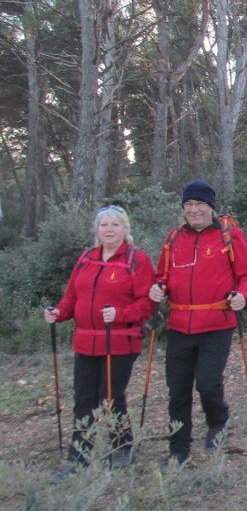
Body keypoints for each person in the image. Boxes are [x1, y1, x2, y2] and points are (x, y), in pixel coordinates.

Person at [149, 180, 247, 467]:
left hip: (217, 324)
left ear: (211, 207)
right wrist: (158, 288)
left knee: (208, 384)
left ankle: (218, 420)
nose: (194, 210)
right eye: (188, 205)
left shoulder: (230, 236)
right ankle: (178, 450)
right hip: (179, 325)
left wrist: (243, 297)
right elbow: (162, 275)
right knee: (178, 389)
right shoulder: (173, 238)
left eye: (199, 204)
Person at [45, 206, 156, 481]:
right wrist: (58, 312)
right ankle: (78, 457)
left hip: (119, 341)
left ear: (125, 229)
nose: (109, 229)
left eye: (115, 225)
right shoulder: (86, 258)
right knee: (83, 400)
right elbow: (72, 296)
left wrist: (121, 314)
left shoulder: (136, 259)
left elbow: (148, 302)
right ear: (97, 230)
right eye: (104, 224)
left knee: (110, 398)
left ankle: (122, 445)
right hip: (85, 341)